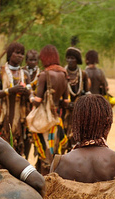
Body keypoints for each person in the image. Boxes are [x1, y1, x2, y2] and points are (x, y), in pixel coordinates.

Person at [30, 44, 69, 174]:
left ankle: (45, 182)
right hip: (57, 119)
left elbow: (37, 101)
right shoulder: (64, 74)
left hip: (45, 120)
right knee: (56, 151)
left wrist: (29, 95)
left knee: (46, 154)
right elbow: (66, 101)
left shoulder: (44, 75)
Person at [0, 42, 31, 156]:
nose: (20, 56)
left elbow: (30, 95)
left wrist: (26, 92)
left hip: (21, 119)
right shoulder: (0, 71)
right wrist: (10, 91)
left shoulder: (25, 74)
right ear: (10, 54)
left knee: (21, 147)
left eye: (22, 54)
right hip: (5, 118)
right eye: (17, 53)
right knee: (2, 147)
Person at [63, 47, 89, 149]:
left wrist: (79, 104)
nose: (70, 61)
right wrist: (65, 103)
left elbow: (87, 93)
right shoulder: (62, 73)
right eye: (68, 58)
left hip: (78, 111)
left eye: (72, 58)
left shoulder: (83, 74)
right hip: (64, 111)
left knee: (76, 137)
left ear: (77, 60)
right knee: (63, 137)